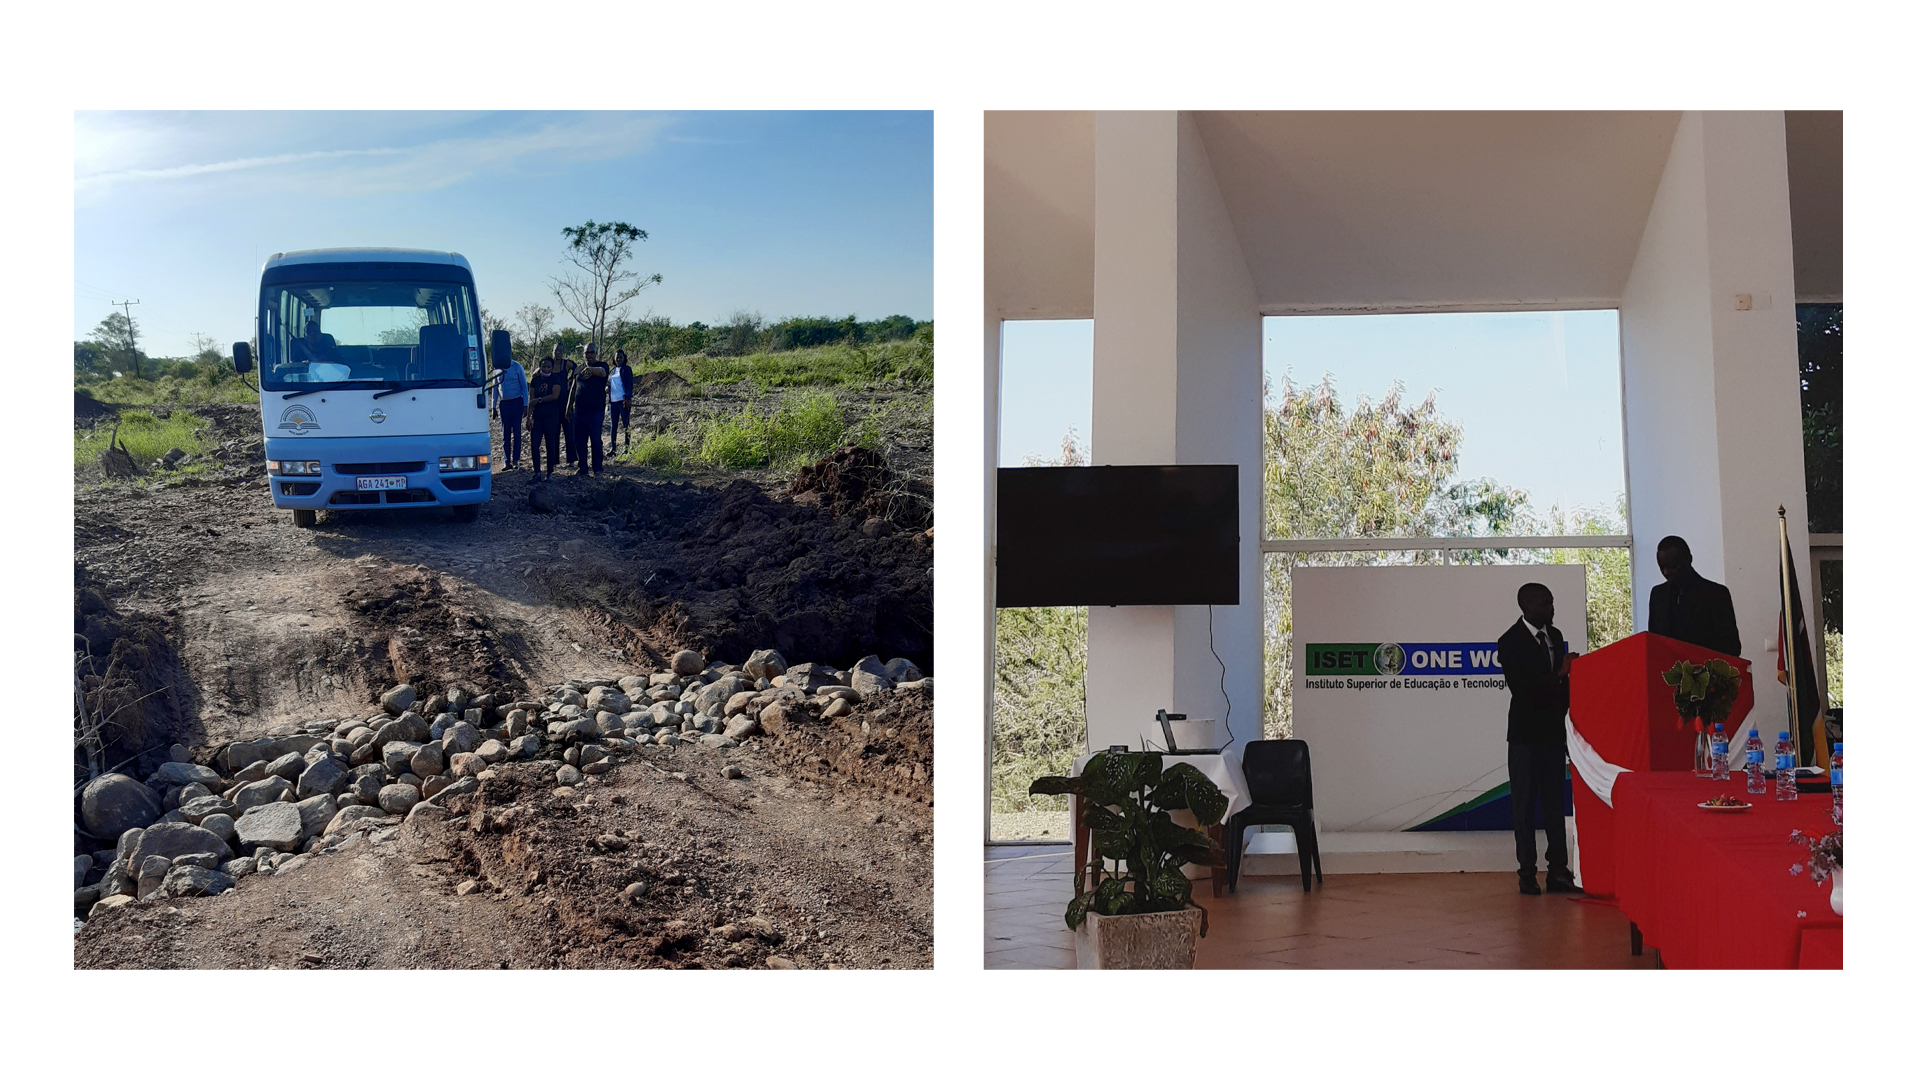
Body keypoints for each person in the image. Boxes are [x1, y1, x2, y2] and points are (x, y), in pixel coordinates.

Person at [1496, 582, 1581, 896]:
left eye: (1552, 602)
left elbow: (1561, 688)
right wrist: (1560, 673)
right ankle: (1527, 873)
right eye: (1546, 603)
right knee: (1524, 807)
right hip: (1525, 737)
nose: (1551, 608)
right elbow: (1522, 689)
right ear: (1527, 606)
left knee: (1554, 805)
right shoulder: (1509, 641)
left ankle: (1558, 871)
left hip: (1553, 735)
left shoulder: (1555, 635)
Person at [1647, 535, 1742, 657]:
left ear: (1689, 559)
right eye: (1662, 567)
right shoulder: (1657, 595)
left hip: (1704, 667)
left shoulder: (1716, 594)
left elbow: (1732, 647)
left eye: (1673, 566)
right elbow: (1654, 643)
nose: (1666, 572)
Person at [572, 342, 610, 477]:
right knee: (579, 441)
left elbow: (602, 372)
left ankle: (597, 469)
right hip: (579, 411)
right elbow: (573, 388)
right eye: (587, 352)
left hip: (595, 411)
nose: (589, 355)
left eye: (592, 352)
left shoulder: (602, 366)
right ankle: (582, 468)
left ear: (595, 353)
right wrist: (568, 407)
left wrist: (591, 370)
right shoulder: (578, 369)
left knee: (595, 440)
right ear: (583, 354)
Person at [528, 354, 566, 479]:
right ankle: (537, 472)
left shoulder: (555, 379)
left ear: (552, 367)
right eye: (543, 366)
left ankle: (549, 472)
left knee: (550, 444)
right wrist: (528, 418)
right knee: (534, 444)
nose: (546, 368)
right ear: (540, 367)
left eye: (548, 366)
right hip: (537, 417)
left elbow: (555, 396)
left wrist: (539, 400)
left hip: (551, 416)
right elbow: (531, 400)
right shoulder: (535, 380)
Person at [490, 348, 529, 471]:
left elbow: (524, 387)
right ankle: (506, 462)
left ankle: (516, 460)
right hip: (504, 404)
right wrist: (493, 407)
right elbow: (495, 389)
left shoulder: (517, 367)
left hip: (516, 402)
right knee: (505, 434)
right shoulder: (496, 369)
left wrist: (526, 405)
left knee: (517, 432)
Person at [608, 348, 634, 453]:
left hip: (623, 401)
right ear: (614, 359)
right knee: (613, 425)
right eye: (617, 357)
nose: (619, 359)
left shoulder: (627, 369)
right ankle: (613, 448)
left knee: (626, 425)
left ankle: (626, 448)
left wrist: (628, 398)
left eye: (620, 357)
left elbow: (630, 385)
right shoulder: (611, 371)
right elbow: (608, 383)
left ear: (624, 358)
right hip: (613, 402)